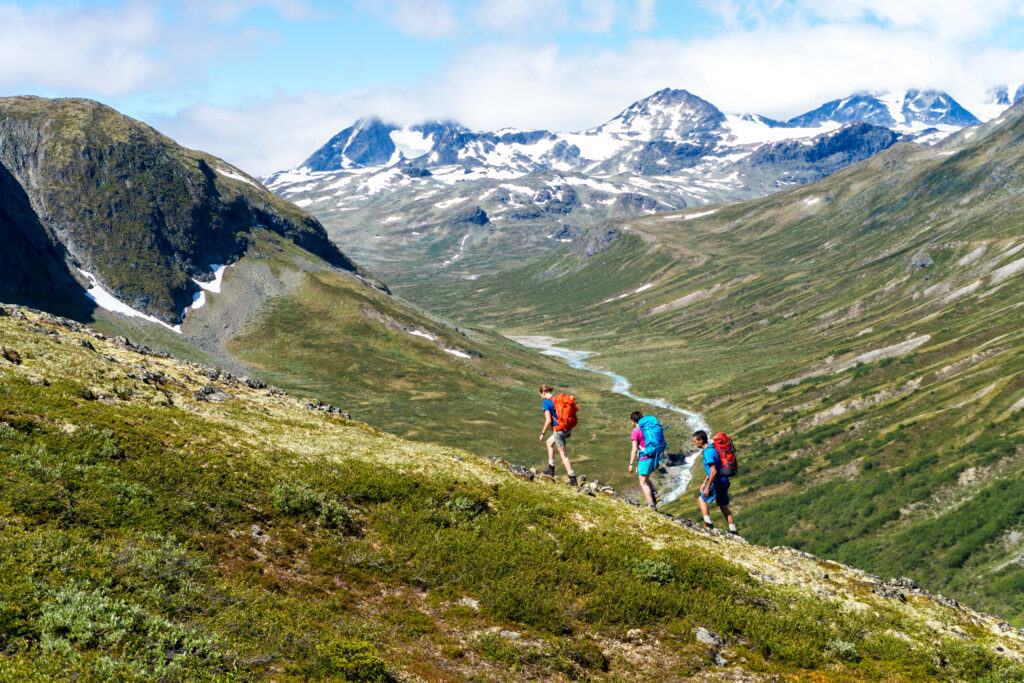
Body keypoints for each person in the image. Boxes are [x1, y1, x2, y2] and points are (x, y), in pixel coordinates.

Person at [694, 430, 737, 534]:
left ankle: (708, 524)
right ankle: (733, 530)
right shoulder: (714, 449)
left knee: (702, 500)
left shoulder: (708, 452)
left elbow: (713, 471)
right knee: (723, 506)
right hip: (724, 480)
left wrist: (707, 487)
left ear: (701, 440)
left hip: (716, 481)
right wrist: (704, 482)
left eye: (695, 441)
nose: (694, 443)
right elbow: (713, 469)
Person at [539, 384, 577, 485]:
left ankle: (572, 478)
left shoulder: (546, 403)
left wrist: (543, 433)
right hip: (567, 428)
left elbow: (548, 420)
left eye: (541, 395)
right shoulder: (558, 399)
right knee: (549, 443)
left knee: (563, 454)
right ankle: (550, 469)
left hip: (559, 430)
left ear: (543, 393)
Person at [627, 410, 661, 510]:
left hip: (644, 458)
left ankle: (652, 506)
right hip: (653, 457)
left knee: (643, 483)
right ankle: (655, 494)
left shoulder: (636, 431)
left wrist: (631, 464)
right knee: (646, 479)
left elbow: (634, 449)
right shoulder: (648, 429)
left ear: (633, 420)